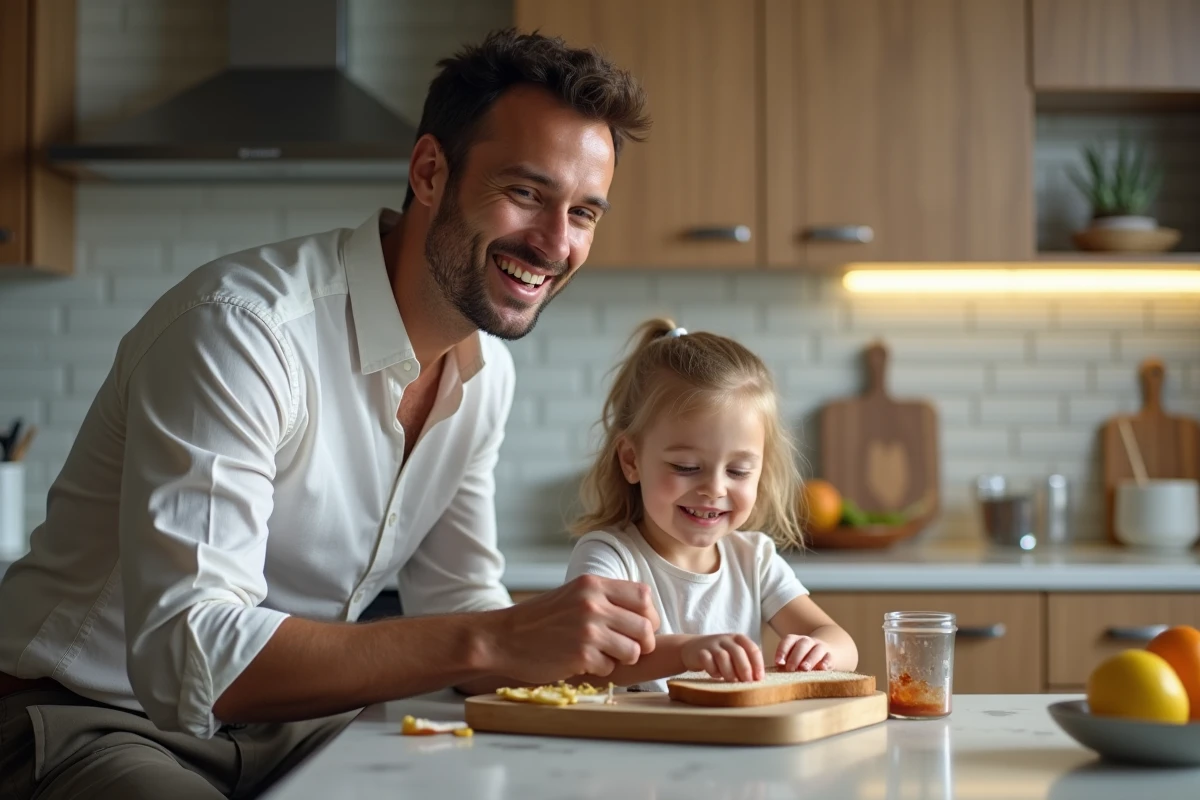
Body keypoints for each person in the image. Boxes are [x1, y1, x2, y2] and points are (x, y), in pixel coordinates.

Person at [0, 29, 656, 800]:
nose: (554, 243)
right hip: (89, 719)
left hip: (291, 725)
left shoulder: (486, 376)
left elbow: (461, 601)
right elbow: (191, 651)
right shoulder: (243, 331)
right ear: (430, 172)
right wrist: (500, 637)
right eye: (526, 193)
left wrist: (644, 663)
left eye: (583, 212)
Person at [564, 319, 859, 692]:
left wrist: (820, 650)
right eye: (686, 467)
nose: (714, 489)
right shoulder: (608, 558)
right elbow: (585, 664)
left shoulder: (754, 559)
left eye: (738, 471)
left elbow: (840, 641)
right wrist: (688, 652)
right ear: (631, 460)